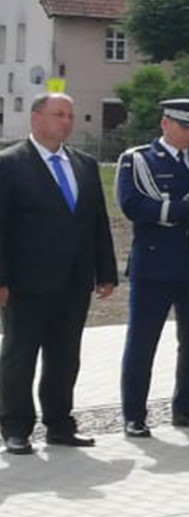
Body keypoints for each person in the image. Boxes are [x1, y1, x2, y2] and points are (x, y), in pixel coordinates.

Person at [0, 93, 116, 454]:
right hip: (26, 282)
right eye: (58, 114)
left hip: (74, 279)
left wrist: (106, 270)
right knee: (21, 354)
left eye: (70, 115)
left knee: (65, 356)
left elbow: (98, 221)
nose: (66, 122)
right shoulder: (9, 163)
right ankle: (16, 427)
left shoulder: (83, 163)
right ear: (36, 119)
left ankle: (60, 424)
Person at [118, 98, 189, 436]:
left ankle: (187, 408)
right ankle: (134, 414)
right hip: (155, 265)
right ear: (165, 124)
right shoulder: (139, 160)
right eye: (186, 126)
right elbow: (132, 205)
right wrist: (182, 210)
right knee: (142, 342)